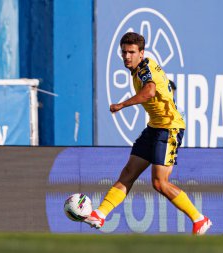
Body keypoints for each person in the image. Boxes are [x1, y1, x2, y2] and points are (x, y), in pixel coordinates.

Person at [84, 32, 212, 235]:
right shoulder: (139, 69)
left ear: (141, 53)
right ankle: (100, 214)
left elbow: (150, 90)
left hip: (169, 128)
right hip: (154, 127)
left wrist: (122, 104)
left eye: (132, 52)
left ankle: (200, 219)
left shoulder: (145, 68)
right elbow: (162, 88)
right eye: (124, 52)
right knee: (128, 173)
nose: (127, 56)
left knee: (160, 183)